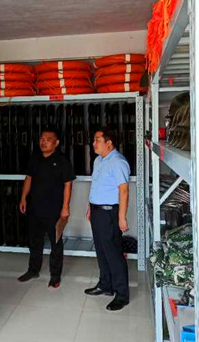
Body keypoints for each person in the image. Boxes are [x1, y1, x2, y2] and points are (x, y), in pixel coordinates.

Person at [18, 128, 76, 288]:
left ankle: (55, 276)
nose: (43, 142)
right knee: (34, 241)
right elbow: (28, 178)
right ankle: (33, 270)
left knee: (55, 243)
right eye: (42, 139)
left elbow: (68, 184)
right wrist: (23, 198)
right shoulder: (35, 158)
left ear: (56, 143)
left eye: (48, 139)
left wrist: (65, 207)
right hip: (35, 208)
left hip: (54, 211)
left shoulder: (62, 161)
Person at [84, 128, 130, 311]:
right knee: (101, 250)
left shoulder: (118, 162)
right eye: (94, 140)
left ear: (109, 143)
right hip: (97, 212)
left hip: (110, 213)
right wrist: (90, 207)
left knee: (113, 254)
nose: (93, 143)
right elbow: (96, 185)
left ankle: (122, 295)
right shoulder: (98, 160)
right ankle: (105, 285)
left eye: (97, 140)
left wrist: (121, 218)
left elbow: (124, 191)